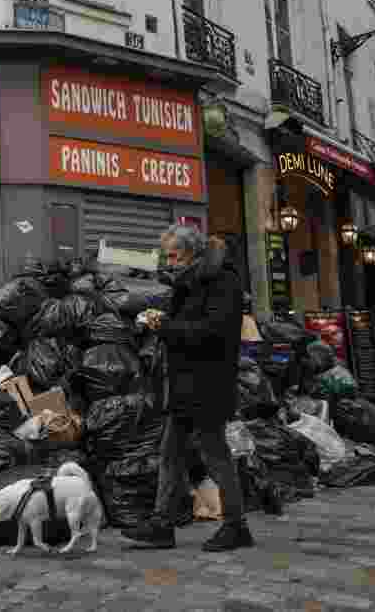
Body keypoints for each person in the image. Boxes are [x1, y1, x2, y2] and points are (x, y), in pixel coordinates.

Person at [123, 225, 251, 552]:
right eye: (168, 255)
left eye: (175, 254)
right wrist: (162, 321)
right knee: (170, 454)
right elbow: (188, 323)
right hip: (183, 384)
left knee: (215, 453)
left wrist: (165, 325)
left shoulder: (222, 281)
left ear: (192, 252)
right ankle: (161, 525)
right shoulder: (190, 281)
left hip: (208, 383)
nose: (170, 261)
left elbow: (212, 331)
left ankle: (236, 526)